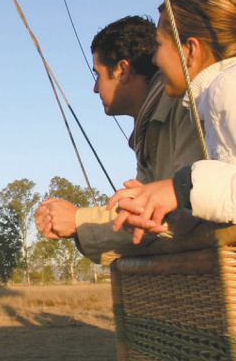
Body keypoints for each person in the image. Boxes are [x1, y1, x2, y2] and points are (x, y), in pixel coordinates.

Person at [108, 0, 236, 244]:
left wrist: (184, 188)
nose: (154, 59)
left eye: (159, 45)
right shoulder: (225, 90)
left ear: (190, 50)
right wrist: (164, 212)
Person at [34, 16, 204, 261]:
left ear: (122, 70)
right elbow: (141, 217)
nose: (95, 88)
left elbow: (187, 214)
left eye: (98, 74)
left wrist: (78, 220)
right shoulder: (149, 127)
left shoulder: (186, 107)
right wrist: (77, 223)